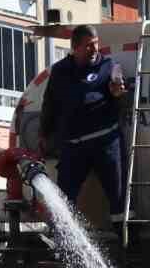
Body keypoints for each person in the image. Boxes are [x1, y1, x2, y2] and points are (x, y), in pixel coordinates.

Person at [38, 25, 128, 233]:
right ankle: (63, 235)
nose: (94, 50)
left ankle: (123, 234)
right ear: (75, 48)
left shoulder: (108, 66)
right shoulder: (60, 71)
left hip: (105, 142)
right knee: (64, 194)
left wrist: (118, 93)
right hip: (73, 146)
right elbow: (49, 104)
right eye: (89, 46)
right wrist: (43, 133)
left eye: (96, 44)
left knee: (117, 191)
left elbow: (120, 95)